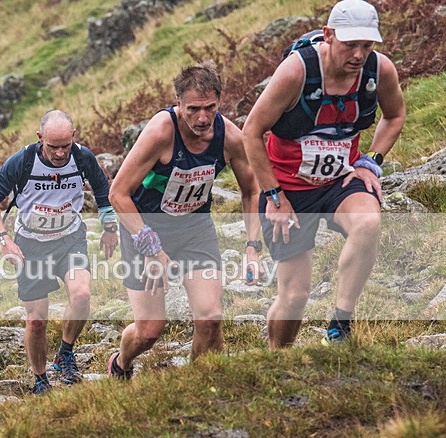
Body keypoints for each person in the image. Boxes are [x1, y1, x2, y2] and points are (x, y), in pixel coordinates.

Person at [242, 0, 405, 348]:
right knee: (295, 297)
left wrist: (371, 161)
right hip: (288, 191)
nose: (359, 55)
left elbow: (395, 115)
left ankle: (341, 324)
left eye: (367, 45)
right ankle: (276, 357)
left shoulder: (380, 71)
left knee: (368, 222)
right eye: (350, 44)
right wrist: (274, 197)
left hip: (339, 182)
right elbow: (251, 131)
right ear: (329, 35)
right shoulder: (296, 72)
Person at [108, 61, 262, 379]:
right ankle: (120, 363)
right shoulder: (160, 132)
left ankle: (201, 385)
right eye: (193, 109)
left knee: (210, 317)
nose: (202, 118)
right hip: (145, 228)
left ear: (220, 101)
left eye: (210, 108)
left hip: (194, 228)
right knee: (150, 331)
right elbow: (118, 194)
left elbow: (252, 192)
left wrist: (252, 246)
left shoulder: (230, 137)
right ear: (178, 104)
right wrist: (151, 246)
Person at [0, 109, 119, 394]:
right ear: (39, 138)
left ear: (74, 137)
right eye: (52, 146)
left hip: (70, 239)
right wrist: (3, 238)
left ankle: (65, 353)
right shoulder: (21, 162)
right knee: (36, 320)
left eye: (65, 146)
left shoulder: (83, 157)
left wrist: (109, 227)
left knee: (81, 295)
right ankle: (40, 378)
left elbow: (103, 190)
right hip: (31, 244)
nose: (59, 154)